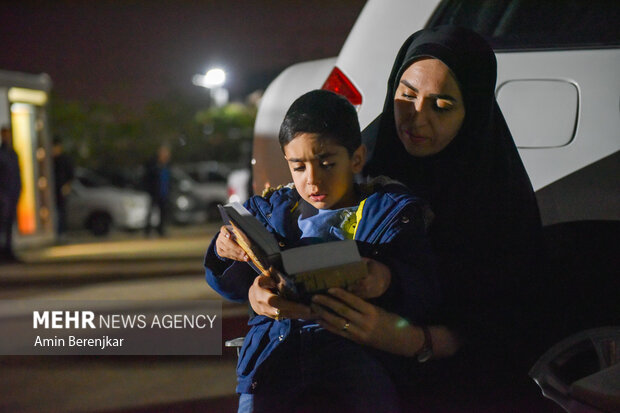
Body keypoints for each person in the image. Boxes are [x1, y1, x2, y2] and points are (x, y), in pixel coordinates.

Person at [263, 27, 542, 408]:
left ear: (473, 109)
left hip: (455, 381)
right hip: (347, 371)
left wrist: (408, 340)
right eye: (406, 96)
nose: (416, 119)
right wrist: (261, 290)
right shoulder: (361, 161)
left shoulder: (494, 197)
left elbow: (504, 326)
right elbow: (299, 244)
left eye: (441, 106)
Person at [205, 90, 439, 413]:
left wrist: (388, 280)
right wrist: (228, 258)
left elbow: (426, 288)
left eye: (327, 163)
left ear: (356, 158)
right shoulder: (269, 213)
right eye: (298, 167)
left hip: (356, 352)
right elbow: (230, 285)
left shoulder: (388, 213)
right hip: (278, 348)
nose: (312, 179)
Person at [0, 125, 22, 262]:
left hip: (12, 193)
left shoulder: (12, 153)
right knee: (3, 224)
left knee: (9, 224)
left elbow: (17, 174)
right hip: (5, 195)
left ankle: (8, 250)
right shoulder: (3, 154)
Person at [143, 144, 171, 237]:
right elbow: (148, 178)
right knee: (151, 212)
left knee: (163, 213)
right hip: (155, 192)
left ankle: (161, 231)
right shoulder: (154, 165)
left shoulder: (167, 166)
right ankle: (147, 231)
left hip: (164, 193)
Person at [52, 135, 74, 239]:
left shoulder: (64, 159)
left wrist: (67, 186)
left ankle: (61, 233)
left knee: (62, 212)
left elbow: (70, 174)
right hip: (52, 190)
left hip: (61, 189)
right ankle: (57, 233)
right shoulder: (50, 160)